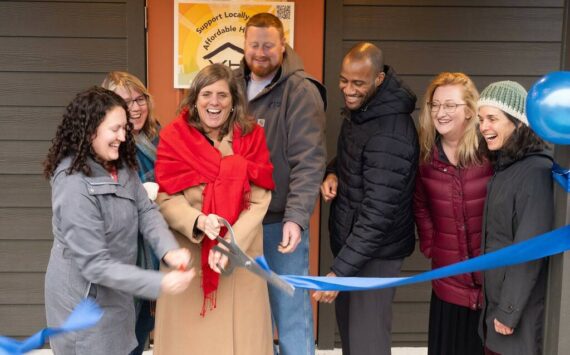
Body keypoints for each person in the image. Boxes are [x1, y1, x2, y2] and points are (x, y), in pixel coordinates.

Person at [43, 86, 195, 355]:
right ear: (90, 130)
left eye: (125, 128)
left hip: (117, 296)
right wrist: (158, 283)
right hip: (83, 304)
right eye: (115, 129)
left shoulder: (121, 167)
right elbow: (94, 264)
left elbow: (146, 211)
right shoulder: (72, 182)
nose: (123, 137)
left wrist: (169, 250)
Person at [152, 63, 275, 355]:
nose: (214, 102)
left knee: (242, 341)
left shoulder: (251, 138)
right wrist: (197, 221)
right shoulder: (174, 137)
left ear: (234, 101)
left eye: (222, 95)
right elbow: (165, 196)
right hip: (190, 255)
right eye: (206, 94)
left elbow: (261, 198)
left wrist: (229, 242)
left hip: (239, 257)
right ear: (195, 99)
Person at [316, 42, 419, 355]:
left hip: (377, 255)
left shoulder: (392, 130)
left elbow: (378, 212)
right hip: (355, 250)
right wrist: (333, 172)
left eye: (358, 83)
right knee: (351, 337)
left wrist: (340, 271)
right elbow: (357, 160)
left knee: (367, 343)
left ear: (379, 79)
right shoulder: (364, 112)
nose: (348, 90)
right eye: (344, 80)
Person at [234, 13, 326, 355]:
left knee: (291, 315)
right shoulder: (231, 85)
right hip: (236, 224)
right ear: (244, 45)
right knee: (245, 316)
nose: (260, 52)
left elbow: (309, 159)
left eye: (268, 45)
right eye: (254, 45)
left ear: (282, 45)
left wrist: (295, 218)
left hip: (277, 224)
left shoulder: (300, 90)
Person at [413, 72, 492, 355]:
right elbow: (420, 205)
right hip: (448, 282)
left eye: (450, 105)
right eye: (435, 105)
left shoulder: (489, 153)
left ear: (470, 110)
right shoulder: (427, 158)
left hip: (490, 285)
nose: (440, 112)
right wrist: (432, 244)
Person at [477, 81, 553, 355]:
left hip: (515, 318)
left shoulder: (535, 172)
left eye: (492, 119)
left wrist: (508, 311)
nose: (484, 127)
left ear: (519, 122)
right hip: (496, 310)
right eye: (481, 119)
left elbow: (529, 249)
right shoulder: (505, 168)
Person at [101, 71, 161, 355]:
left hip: (153, 244)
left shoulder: (158, 136)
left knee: (142, 324)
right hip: (121, 247)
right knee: (119, 326)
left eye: (140, 99)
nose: (135, 108)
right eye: (126, 102)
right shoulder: (104, 145)